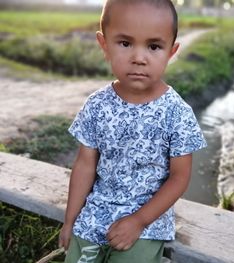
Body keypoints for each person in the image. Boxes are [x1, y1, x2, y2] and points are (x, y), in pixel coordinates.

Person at [58, 0, 207, 262]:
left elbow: (179, 178)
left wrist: (138, 221)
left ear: (171, 52)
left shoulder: (177, 113)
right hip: (94, 216)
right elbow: (84, 165)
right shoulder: (97, 105)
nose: (139, 58)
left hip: (146, 225)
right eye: (125, 43)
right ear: (104, 45)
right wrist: (70, 221)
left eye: (153, 46)